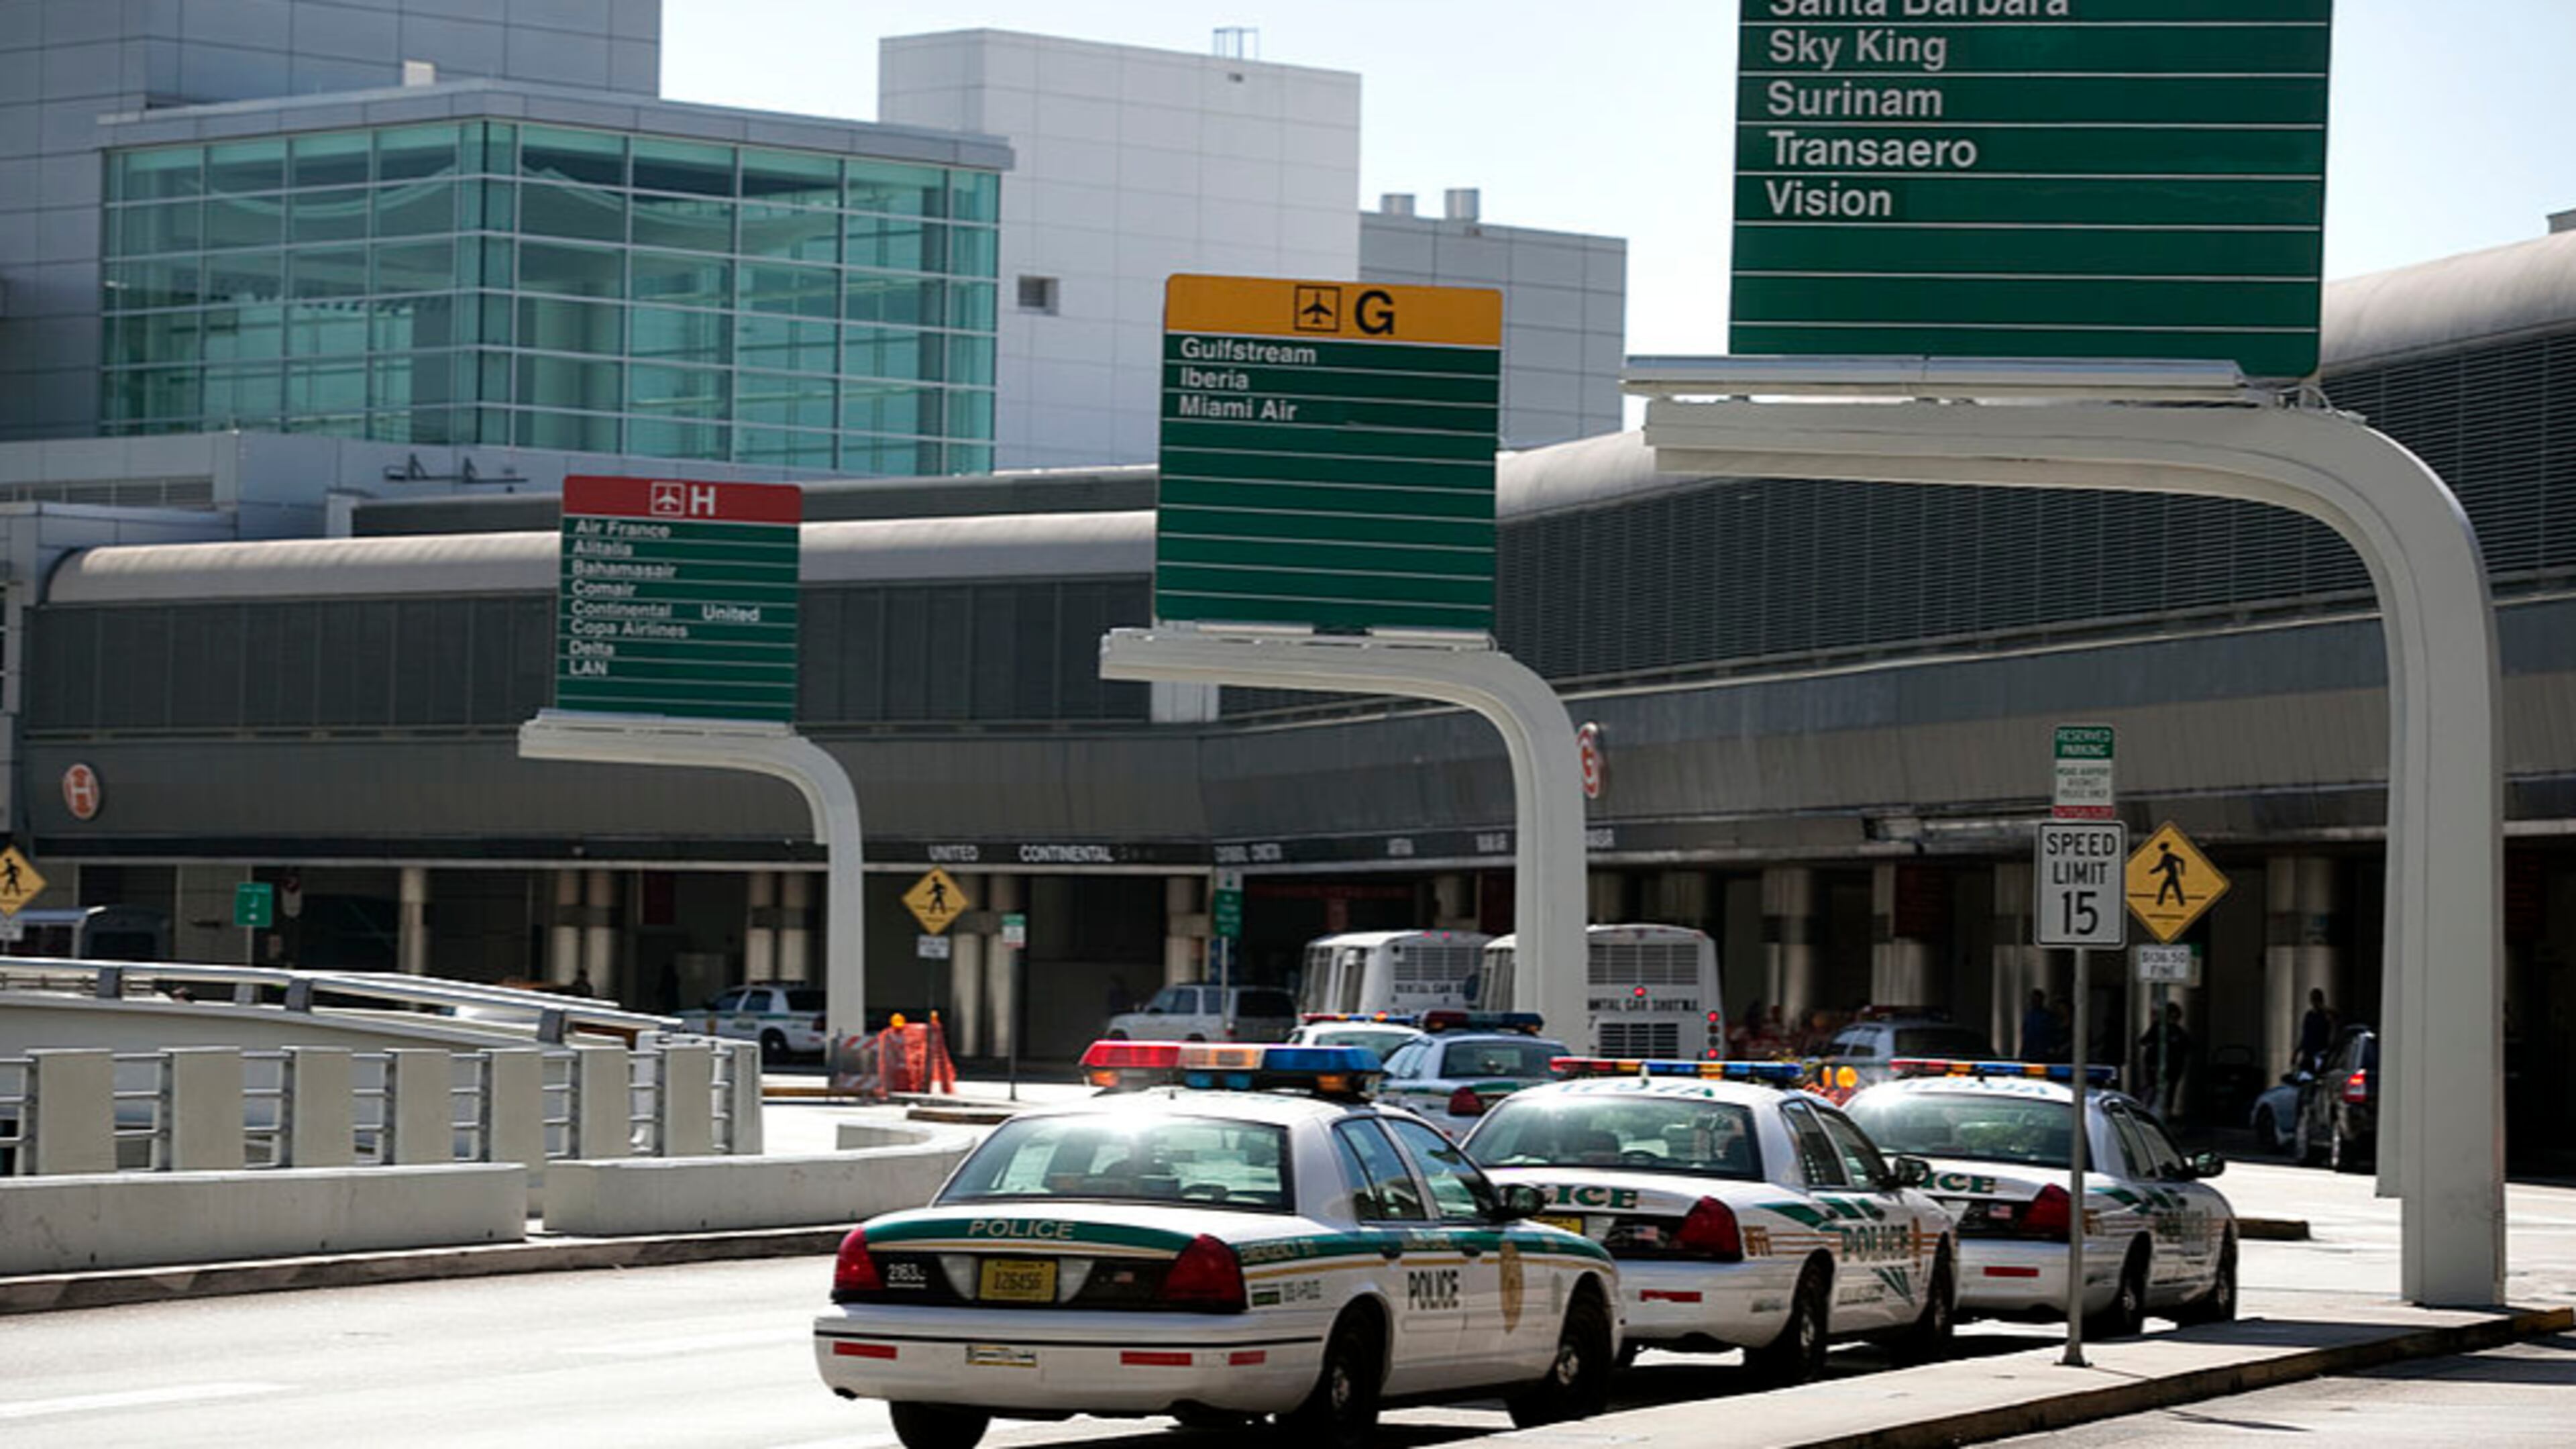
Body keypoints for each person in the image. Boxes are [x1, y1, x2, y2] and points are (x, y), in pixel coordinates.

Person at [2137, 1000, 2192, 1117]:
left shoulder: (2174, 1031)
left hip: (2168, 1065)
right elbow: (2144, 1041)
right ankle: (2156, 1110)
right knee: (2158, 1088)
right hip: (2162, 1064)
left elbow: (2188, 1047)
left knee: (2159, 1088)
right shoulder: (2164, 1029)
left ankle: (2158, 1110)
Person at [2296, 987, 2333, 1073]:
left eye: (2316, 1000)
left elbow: (2334, 1021)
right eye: (2313, 1000)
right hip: (2309, 1052)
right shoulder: (2309, 1015)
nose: (2314, 1003)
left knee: (2319, 1072)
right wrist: (2298, 1050)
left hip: (2321, 1051)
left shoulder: (2326, 1015)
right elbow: (2305, 1035)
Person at [2020, 987, 2058, 1063]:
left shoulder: (2047, 1016)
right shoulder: (2029, 1016)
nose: (2034, 1001)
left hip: (2042, 1053)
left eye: (2036, 999)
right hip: (2029, 1052)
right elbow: (2026, 1034)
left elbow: (2051, 1034)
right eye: (2033, 999)